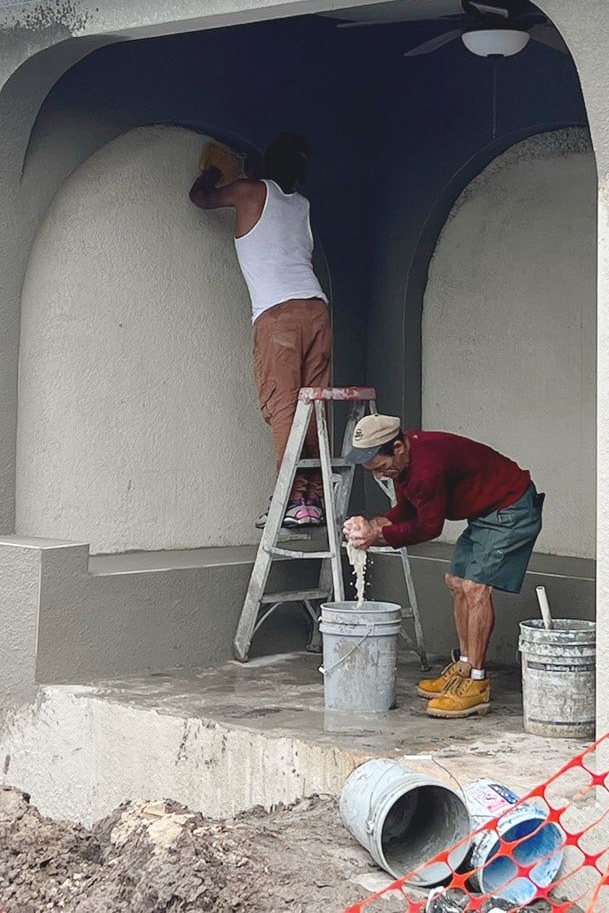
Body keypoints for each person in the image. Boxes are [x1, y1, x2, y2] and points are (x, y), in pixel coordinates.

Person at [343, 414, 543, 719]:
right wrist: (369, 526)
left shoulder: (426, 469)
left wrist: (377, 534)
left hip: (511, 507)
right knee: (455, 580)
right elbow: (406, 511)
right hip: (487, 512)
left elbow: (427, 527)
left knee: (475, 586)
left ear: (398, 447)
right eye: (372, 472)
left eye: (381, 468)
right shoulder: (404, 467)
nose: (380, 476)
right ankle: (463, 666)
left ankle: (477, 682)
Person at [190, 132, 331, 529]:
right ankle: (312, 501)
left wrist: (212, 172)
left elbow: (201, 199)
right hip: (316, 309)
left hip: (278, 315)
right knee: (312, 405)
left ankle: (290, 500)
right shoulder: (302, 205)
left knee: (283, 405)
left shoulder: (248, 191)